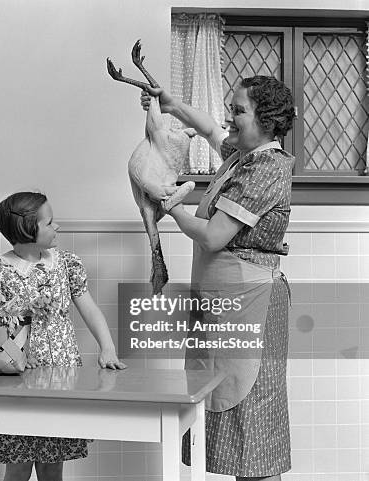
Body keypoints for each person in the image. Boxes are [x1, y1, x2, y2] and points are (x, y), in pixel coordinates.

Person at [141, 75, 295, 481]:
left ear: (266, 119)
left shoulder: (266, 167)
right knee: (229, 416)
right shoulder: (243, 156)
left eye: (239, 111)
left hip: (251, 306)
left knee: (253, 424)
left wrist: (171, 206)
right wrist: (171, 105)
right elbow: (209, 129)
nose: (231, 118)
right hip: (226, 304)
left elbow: (212, 236)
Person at [0, 191, 127, 481]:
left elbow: (89, 309)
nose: (58, 227)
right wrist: (14, 354)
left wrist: (108, 348)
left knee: (53, 466)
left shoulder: (66, 263)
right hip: (19, 383)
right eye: (50, 223)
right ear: (27, 229)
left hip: (63, 378)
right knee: (17, 466)